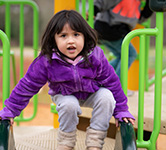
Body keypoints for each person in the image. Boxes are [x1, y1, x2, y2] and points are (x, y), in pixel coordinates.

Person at [0, 10, 135, 150]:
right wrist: (10, 110)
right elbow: (27, 85)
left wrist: (121, 110)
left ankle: (95, 143)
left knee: (107, 97)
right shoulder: (47, 61)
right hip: (64, 94)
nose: (70, 40)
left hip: (91, 92)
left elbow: (112, 82)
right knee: (69, 105)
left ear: (84, 36)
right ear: (54, 39)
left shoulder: (95, 56)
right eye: (63, 36)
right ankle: (66, 144)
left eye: (76, 34)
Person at [94, 0, 153, 79]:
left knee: (121, 56)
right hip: (108, 28)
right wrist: (93, 10)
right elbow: (103, 2)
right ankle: (117, 85)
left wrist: (150, 4)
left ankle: (96, 74)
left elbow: (141, 18)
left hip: (113, 31)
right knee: (130, 54)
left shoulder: (137, 3)